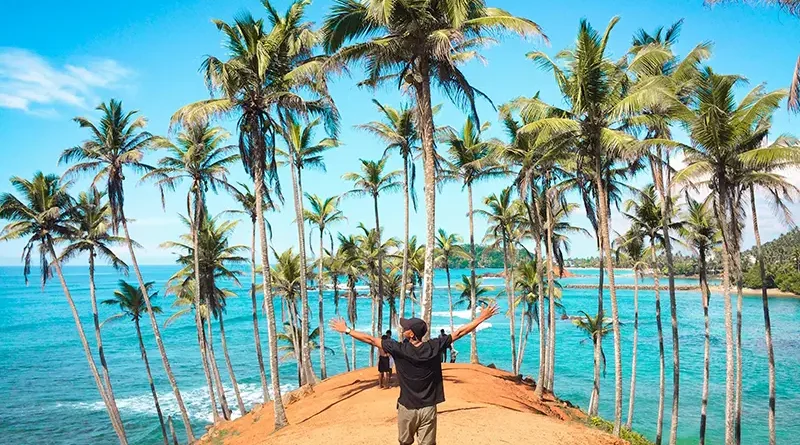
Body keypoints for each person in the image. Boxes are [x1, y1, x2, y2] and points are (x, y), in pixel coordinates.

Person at [330, 304, 499, 445]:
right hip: (428, 408)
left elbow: (371, 340)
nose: (403, 328)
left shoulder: (399, 349)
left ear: (411, 334)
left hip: (407, 408)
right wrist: (481, 318)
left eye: (406, 327)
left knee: (405, 443)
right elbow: (460, 333)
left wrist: (347, 330)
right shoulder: (434, 347)